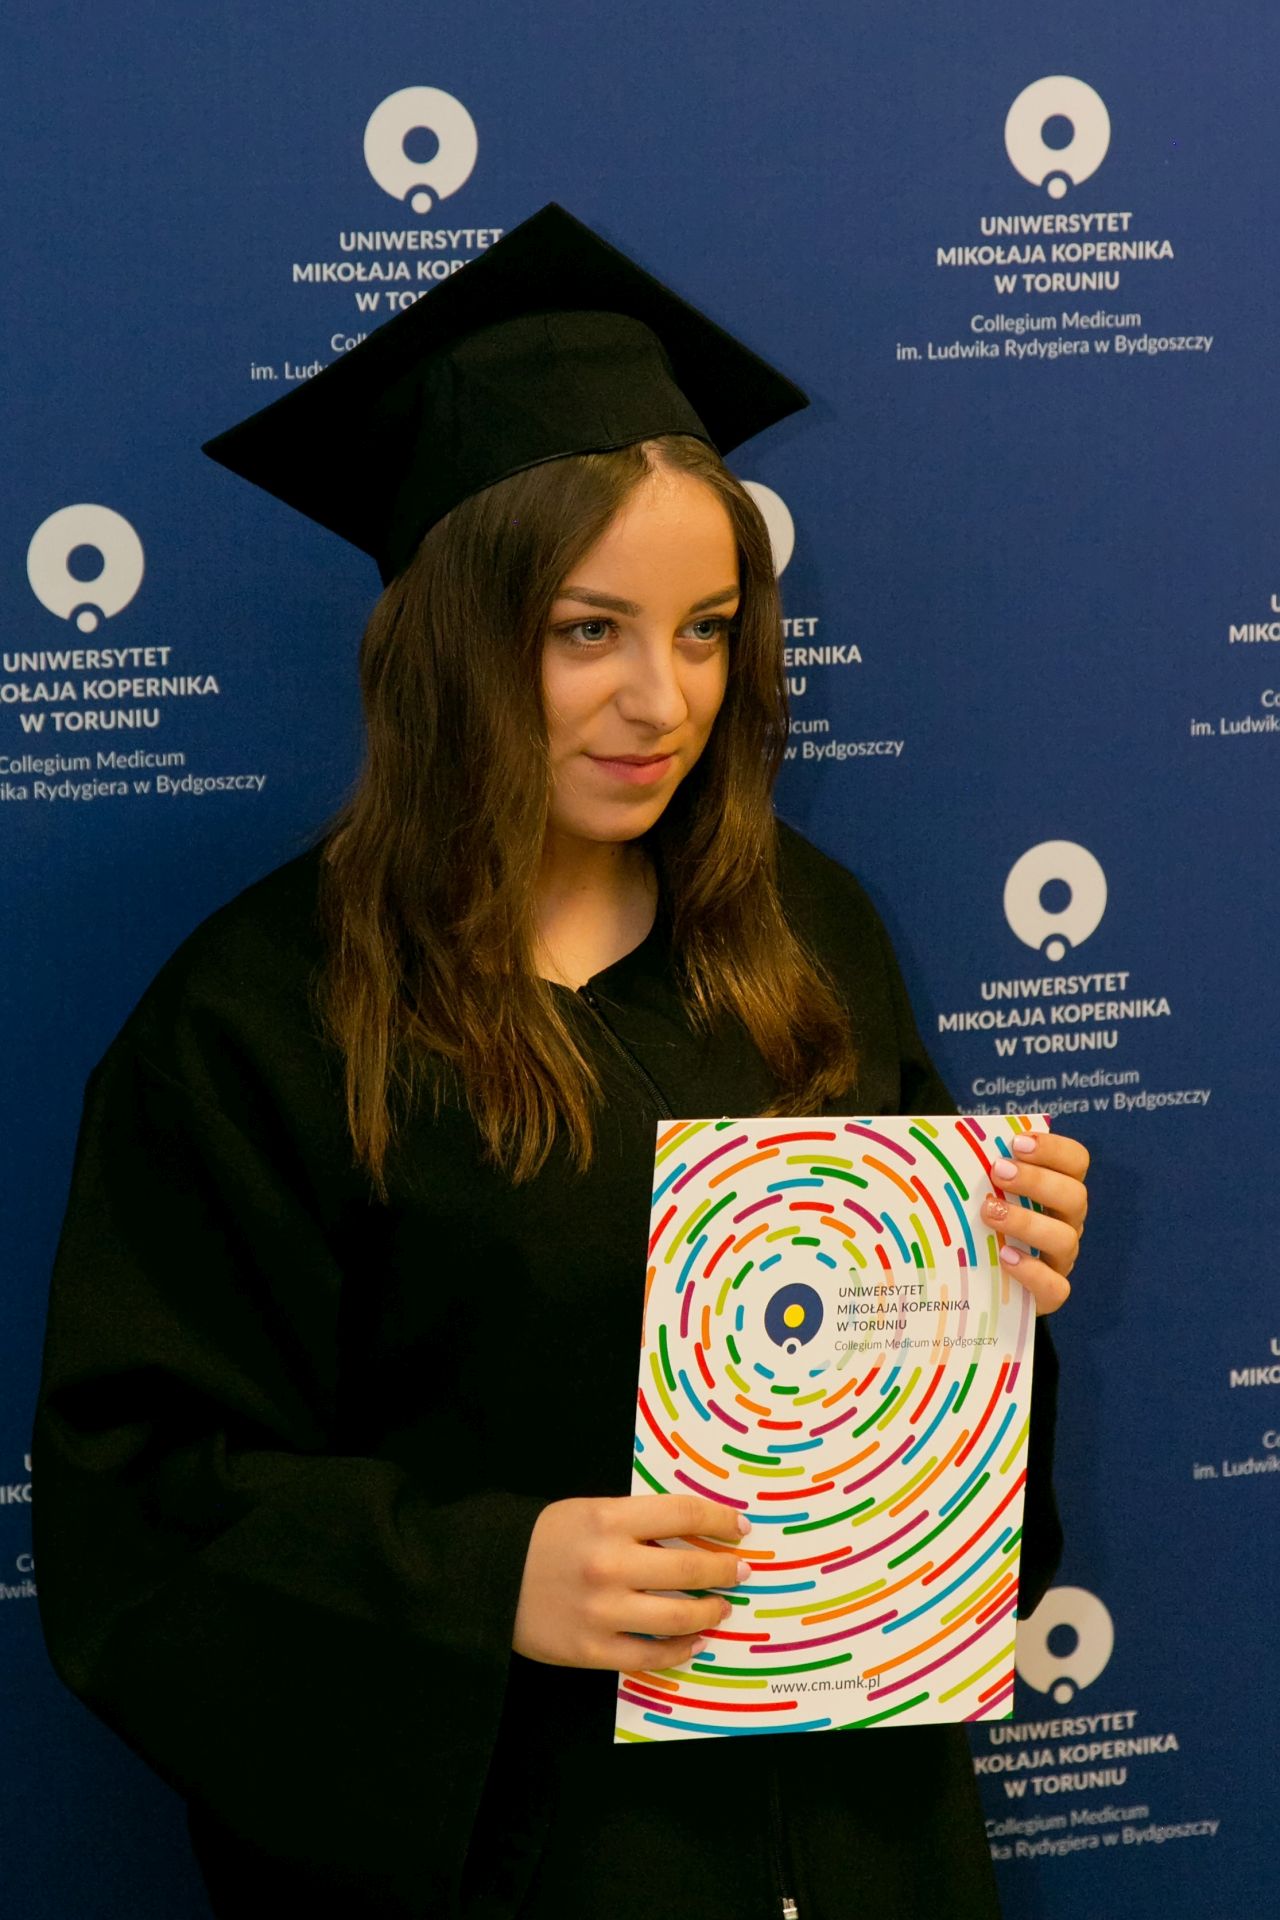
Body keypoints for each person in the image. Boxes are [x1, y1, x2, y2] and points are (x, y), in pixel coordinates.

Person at [33, 205, 1089, 1920]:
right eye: (588, 629)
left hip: (858, 1837)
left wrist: (988, 1290)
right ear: (452, 641)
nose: (662, 702)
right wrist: (490, 1577)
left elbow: (935, 1480)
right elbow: (140, 1513)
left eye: (707, 628)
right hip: (530, 1863)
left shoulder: (809, 933)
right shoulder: (255, 1024)